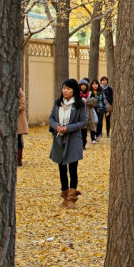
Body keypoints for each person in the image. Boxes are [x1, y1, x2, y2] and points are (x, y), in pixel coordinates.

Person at [49, 79, 87, 208]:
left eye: (68, 89)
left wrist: (68, 128)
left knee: (72, 167)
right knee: (61, 168)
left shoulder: (80, 104)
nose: (65, 91)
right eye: (64, 88)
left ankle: (72, 197)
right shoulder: (57, 102)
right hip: (59, 138)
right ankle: (65, 195)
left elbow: (83, 122)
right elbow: (51, 118)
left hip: (73, 138)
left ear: (74, 90)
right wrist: (56, 126)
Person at [17, 87, 29, 167]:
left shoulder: (20, 92)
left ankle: (18, 159)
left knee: (18, 140)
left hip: (18, 120)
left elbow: (22, 106)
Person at [78, 78, 90, 148]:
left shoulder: (89, 93)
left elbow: (94, 102)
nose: (83, 86)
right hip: (79, 114)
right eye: (81, 85)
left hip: (88, 113)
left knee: (85, 130)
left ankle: (83, 143)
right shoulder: (77, 94)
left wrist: (87, 101)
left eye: (84, 85)